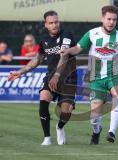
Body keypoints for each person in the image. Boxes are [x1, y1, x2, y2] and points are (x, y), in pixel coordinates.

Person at [59, 5, 118, 144]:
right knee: (94, 116)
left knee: (117, 97)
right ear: (102, 19)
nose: (111, 22)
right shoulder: (92, 33)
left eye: (114, 20)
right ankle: (96, 130)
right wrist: (68, 51)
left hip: (115, 73)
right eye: (109, 19)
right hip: (96, 76)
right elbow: (78, 48)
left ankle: (111, 132)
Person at [7, 10, 77, 145]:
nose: (55, 25)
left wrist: (57, 75)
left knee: (65, 112)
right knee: (44, 97)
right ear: (46, 24)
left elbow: (64, 55)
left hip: (68, 79)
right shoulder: (44, 38)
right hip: (51, 77)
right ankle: (47, 138)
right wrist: (21, 72)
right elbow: (38, 58)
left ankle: (60, 127)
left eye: (56, 22)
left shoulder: (66, 35)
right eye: (51, 23)